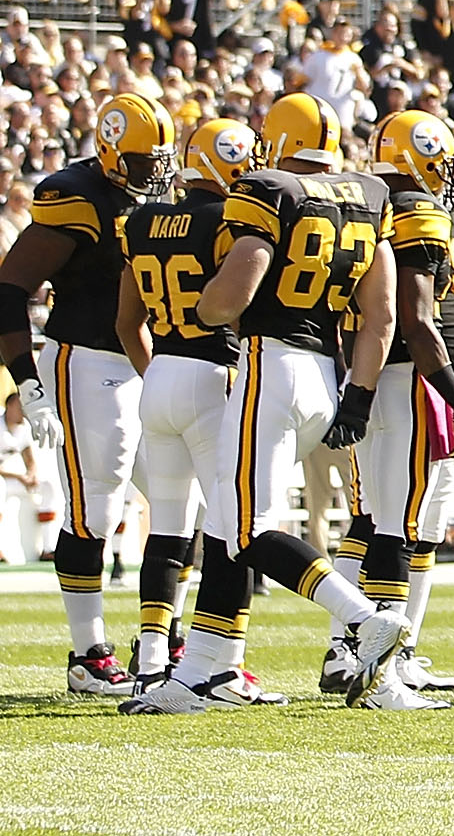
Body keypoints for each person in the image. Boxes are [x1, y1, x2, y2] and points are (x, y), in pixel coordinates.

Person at [123, 93, 408, 714]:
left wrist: (206, 307)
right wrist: (357, 396)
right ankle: (206, 671)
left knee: (248, 527)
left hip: (268, 366)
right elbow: (381, 316)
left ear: (274, 145)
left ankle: (364, 618)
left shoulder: (267, 191)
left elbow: (229, 298)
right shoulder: (368, 197)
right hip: (324, 375)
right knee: (227, 523)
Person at [1, 87, 169, 697]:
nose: (158, 169)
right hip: (87, 360)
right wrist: (28, 377)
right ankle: (87, 653)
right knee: (96, 505)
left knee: (186, 500)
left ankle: (163, 640)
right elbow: (9, 287)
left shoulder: (149, 197)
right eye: (146, 158)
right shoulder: (75, 195)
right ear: (111, 150)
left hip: (149, 361)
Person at [320, 111, 454, 699]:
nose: (446, 172)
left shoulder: (360, 195)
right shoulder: (413, 208)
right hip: (405, 377)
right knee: (396, 524)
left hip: (368, 374)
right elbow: (414, 318)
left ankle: (350, 650)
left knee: (375, 518)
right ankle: (378, 667)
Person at [116, 119, 261, 692]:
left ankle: (151, 658)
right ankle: (224, 660)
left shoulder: (143, 221)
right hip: (214, 375)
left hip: (161, 375)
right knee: (233, 525)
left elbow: (127, 323)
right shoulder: (232, 223)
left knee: (168, 527)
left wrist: (161, 376)